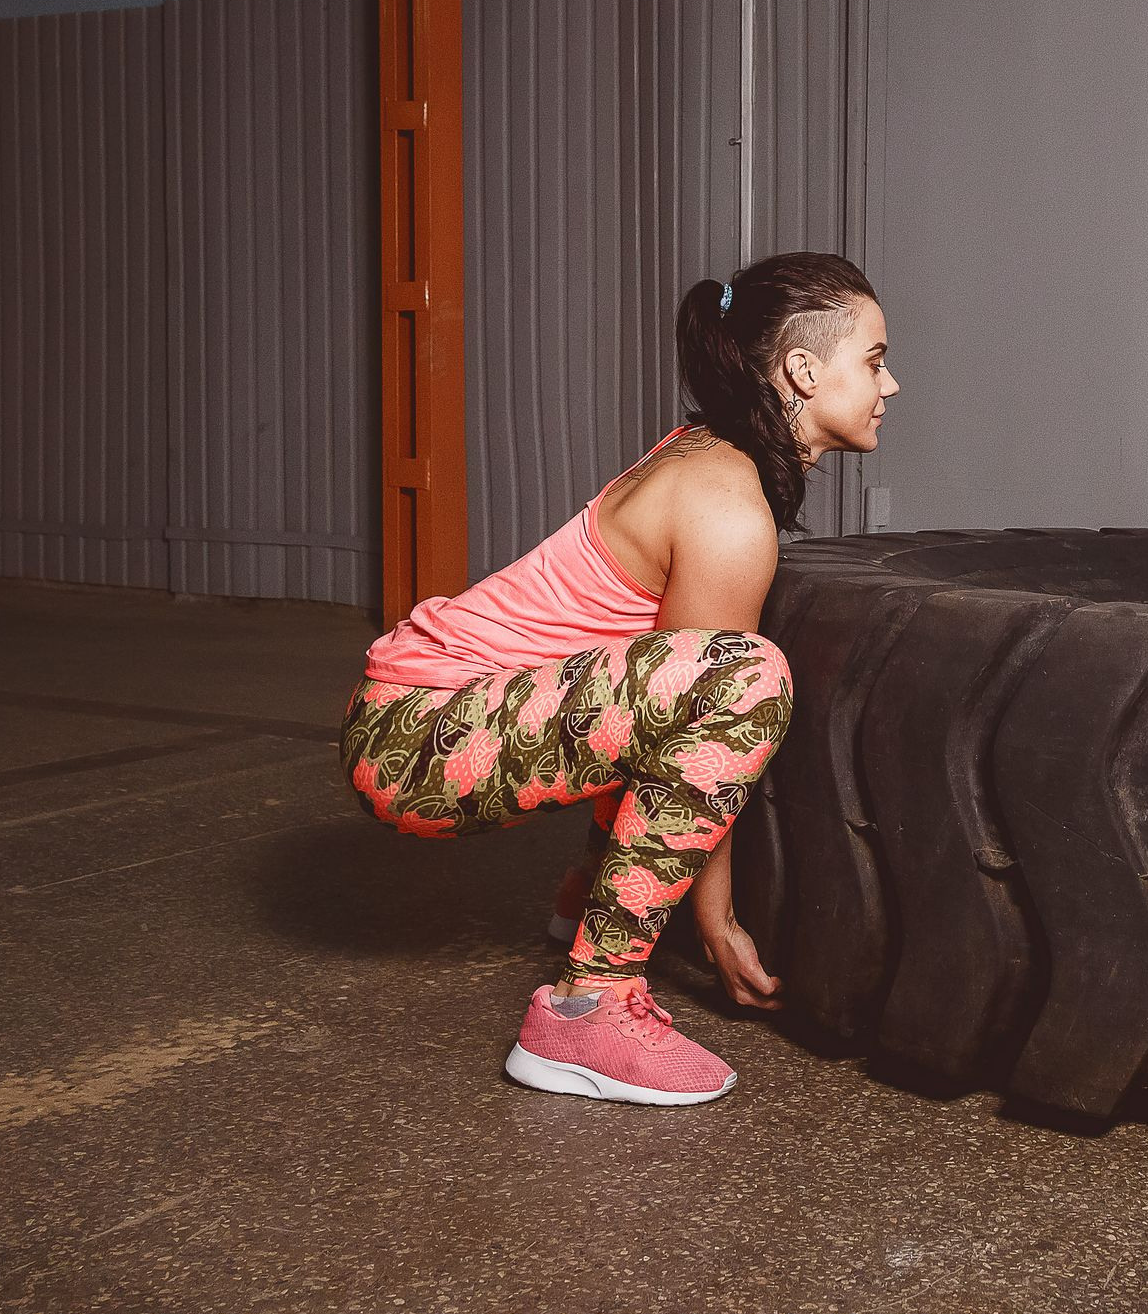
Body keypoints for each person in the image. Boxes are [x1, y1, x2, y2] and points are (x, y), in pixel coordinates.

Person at [337, 251, 898, 1105]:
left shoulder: (710, 450)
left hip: (421, 716)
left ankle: (583, 902)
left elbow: (646, 689)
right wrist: (717, 920)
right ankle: (584, 1009)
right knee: (745, 681)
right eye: (875, 359)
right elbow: (710, 716)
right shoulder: (727, 507)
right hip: (416, 738)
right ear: (802, 369)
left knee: (692, 677)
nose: (891, 385)